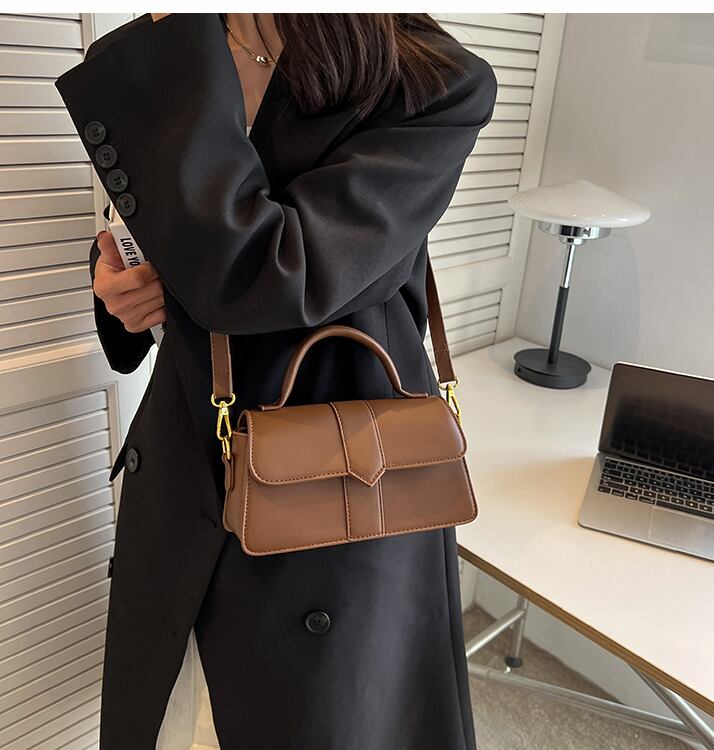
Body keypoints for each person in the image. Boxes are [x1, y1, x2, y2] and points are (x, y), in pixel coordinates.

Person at [55, 12, 496, 749]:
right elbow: (156, 232)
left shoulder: (429, 79)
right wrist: (119, 286)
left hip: (338, 489)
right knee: (169, 716)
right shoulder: (157, 49)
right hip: (186, 464)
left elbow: (270, 271)